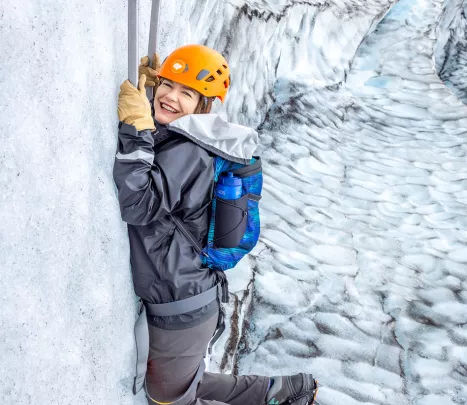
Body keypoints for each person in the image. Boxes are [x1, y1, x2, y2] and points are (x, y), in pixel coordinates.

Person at [113, 44, 319, 405]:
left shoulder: (189, 150)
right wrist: (147, 101)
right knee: (175, 390)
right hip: (185, 297)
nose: (171, 97)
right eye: (167, 84)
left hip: (182, 304)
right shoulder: (190, 139)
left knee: (169, 401)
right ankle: (285, 392)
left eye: (187, 93)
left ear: (204, 106)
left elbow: (140, 204)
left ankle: (288, 392)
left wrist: (134, 127)